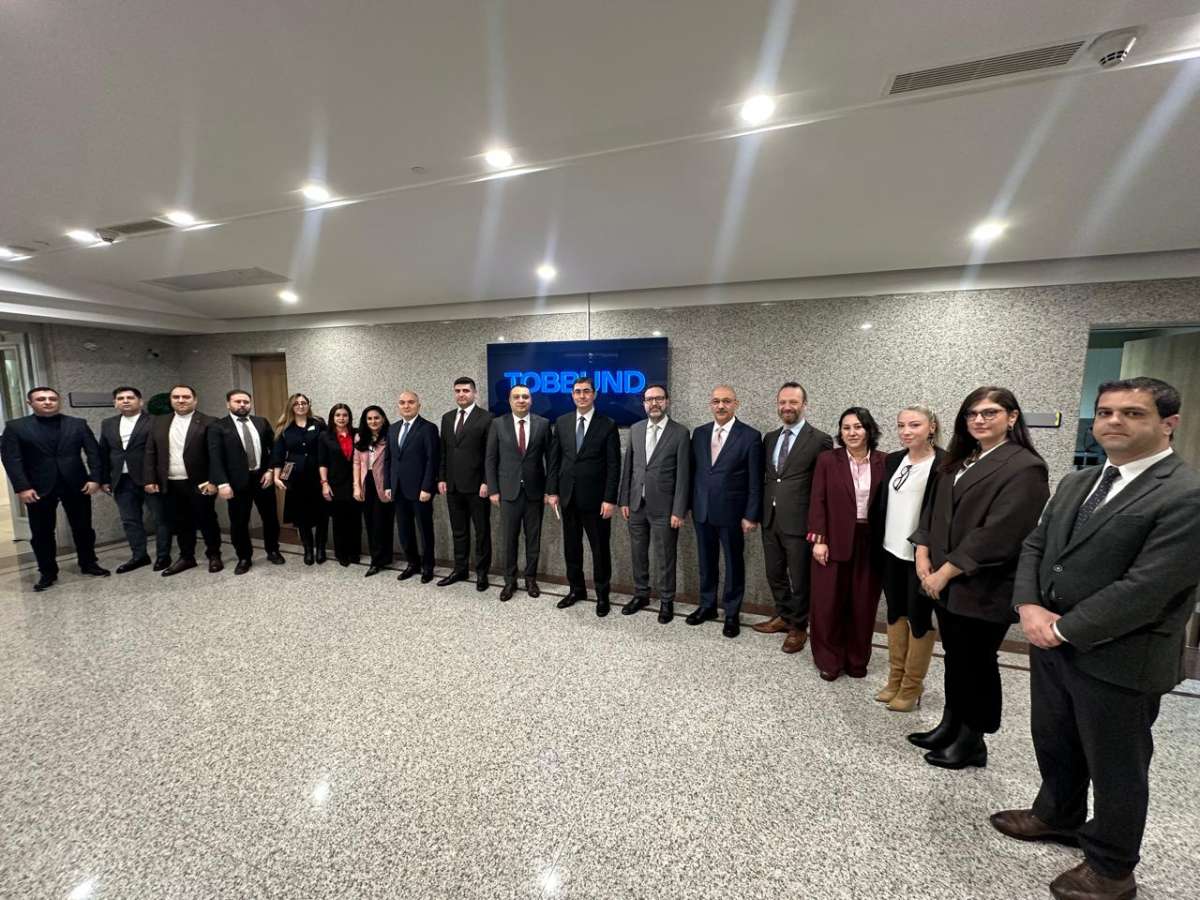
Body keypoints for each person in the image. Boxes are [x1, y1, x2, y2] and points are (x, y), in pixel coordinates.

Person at [992, 377, 1200, 900]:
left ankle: (1111, 867)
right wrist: (1029, 607)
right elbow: (1037, 545)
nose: (1113, 421)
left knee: (1116, 766)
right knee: (1055, 738)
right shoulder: (1078, 481)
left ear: (1168, 423)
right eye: (1106, 412)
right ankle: (1057, 814)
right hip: (1051, 643)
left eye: (1133, 413)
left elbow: (1148, 588)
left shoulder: (1185, 493)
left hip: (1121, 656)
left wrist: (1061, 628)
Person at [909, 386, 1048, 770]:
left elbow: (1000, 533)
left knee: (977, 663)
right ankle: (950, 725)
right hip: (943, 580)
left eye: (989, 413)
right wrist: (922, 552)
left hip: (982, 584)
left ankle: (972, 740)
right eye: (972, 414)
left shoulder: (1025, 467)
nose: (979, 420)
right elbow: (931, 511)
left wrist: (944, 572)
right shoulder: (960, 459)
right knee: (956, 658)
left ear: (1012, 417)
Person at [871, 405, 944, 711]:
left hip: (922, 557)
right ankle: (895, 679)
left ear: (932, 427)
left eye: (914, 425)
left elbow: (942, 516)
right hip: (890, 550)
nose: (906, 431)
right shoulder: (893, 460)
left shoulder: (944, 464)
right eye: (901, 425)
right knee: (894, 613)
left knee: (919, 618)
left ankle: (912, 686)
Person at [1, 386, 109, 591]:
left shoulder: (77, 424)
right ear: (30, 403)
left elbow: (94, 453)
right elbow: (12, 459)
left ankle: (88, 563)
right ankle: (47, 572)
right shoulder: (16, 427)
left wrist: (95, 478)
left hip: (77, 484)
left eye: (52, 398)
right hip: (37, 488)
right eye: (41, 399)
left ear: (58, 402)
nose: (48, 402)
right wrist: (22, 487)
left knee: (83, 528)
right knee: (42, 532)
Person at [806, 407, 886, 680]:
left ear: (869, 430)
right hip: (833, 538)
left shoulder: (885, 461)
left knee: (863, 604)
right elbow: (817, 499)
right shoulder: (828, 460)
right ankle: (829, 659)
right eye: (846, 427)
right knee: (828, 603)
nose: (852, 432)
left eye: (858, 427)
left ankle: (857, 660)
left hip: (870, 541)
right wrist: (819, 539)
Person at [755, 382, 833, 653]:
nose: (787, 407)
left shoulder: (820, 439)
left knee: (800, 579)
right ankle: (784, 616)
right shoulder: (770, 438)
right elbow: (770, 477)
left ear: (804, 405)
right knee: (774, 573)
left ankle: (799, 626)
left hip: (800, 522)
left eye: (793, 402)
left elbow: (823, 486)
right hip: (770, 518)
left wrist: (820, 526)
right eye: (782, 402)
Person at [688, 384, 763, 638]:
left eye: (726, 401)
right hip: (702, 510)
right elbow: (694, 472)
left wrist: (751, 514)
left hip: (733, 513)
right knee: (706, 561)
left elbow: (755, 480)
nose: (721, 406)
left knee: (733, 562)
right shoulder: (699, 434)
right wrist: (688, 505)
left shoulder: (750, 436)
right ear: (710, 404)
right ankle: (707, 605)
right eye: (716, 401)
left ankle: (731, 612)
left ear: (736, 404)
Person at [547, 377, 621, 616]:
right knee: (572, 548)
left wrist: (610, 499)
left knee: (600, 550)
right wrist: (552, 491)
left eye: (586, 391)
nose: (582, 396)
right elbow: (554, 460)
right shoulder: (562, 422)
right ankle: (576, 590)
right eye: (577, 392)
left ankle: (602, 595)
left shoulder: (607, 424)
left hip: (597, 501)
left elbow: (614, 465)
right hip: (568, 497)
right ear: (572, 395)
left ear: (594, 394)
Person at [617, 384, 690, 624]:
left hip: (665, 508)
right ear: (644, 404)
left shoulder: (680, 433)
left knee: (665, 555)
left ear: (667, 401)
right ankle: (641, 594)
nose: (654, 403)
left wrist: (679, 510)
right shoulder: (636, 429)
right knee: (638, 553)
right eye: (649, 399)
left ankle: (667, 600)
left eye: (659, 398)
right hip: (636, 504)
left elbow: (683, 475)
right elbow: (629, 467)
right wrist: (624, 499)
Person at [143, 384, 223, 576]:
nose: (181, 400)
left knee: (207, 519)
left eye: (186, 397)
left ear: (195, 400)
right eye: (176, 397)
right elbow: (150, 451)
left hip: (201, 482)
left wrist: (214, 481)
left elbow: (216, 455)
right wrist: (150, 479)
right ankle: (187, 557)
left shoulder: (209, 421)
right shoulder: (158, 422)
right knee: (180, 522)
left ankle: (214, 555)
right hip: (171, 482)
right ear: (171, 400)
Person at [484, 384, 551, 602]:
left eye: (525, 396)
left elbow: (551, 460)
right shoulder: (498, 424)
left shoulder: (543, 424)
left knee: (533, 539)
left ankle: (531, 579)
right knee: (509, 539)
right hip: (508, 492)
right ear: (510, 401)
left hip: (535, 493)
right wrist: (493, 489)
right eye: (516, 397)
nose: (521, 400)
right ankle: (509, 581)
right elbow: (490, 459)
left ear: (531, 400)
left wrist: (550, 490)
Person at [208, 389, 285, 574]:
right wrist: (222, 484)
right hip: (236, 483)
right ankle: (244, 557)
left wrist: (270, 470)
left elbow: (274, 449)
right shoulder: (218, 426)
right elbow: (215, 457)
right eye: (237, 401)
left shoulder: (261, 422)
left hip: (263, 479)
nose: (242, 405)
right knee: (239, 522)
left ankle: (273, 550)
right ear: (228, 404)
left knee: (270, 518)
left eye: (245, 401)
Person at [98, 385, 169, 572]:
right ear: (115, 403)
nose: (125, 401)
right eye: (120, 398)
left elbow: (162, 452)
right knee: (130, 520)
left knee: (160, 519)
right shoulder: (108, 423)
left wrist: (156, 478)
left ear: (140, 401)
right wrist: (104, 479)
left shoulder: (155, 421)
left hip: (150, 479)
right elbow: (103, 452)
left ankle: (163, 556)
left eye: (130, 398)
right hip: (121, 480)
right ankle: (139, 556)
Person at [437, 377, 494, 591]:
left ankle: (482, 573)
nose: (461, 394)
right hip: (453, 486)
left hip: (478, 487)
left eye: (466, 391)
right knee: (458, 531)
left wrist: (487, 481)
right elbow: (444, 451)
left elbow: (490, 454)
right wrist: (442, 478)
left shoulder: (487, 418)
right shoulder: (447, 418)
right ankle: (460, 569)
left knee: (482, 532)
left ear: (474, 393)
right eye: (458, 391)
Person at [387, 391, 440, 583]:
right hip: (398, 489)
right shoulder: (393, 428)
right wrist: (388, 485)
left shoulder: (428, 428)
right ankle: (412, 563)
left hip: (420, 490)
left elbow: (432, 460)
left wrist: (427, 487)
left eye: (411, 402)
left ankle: (428, 567)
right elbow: (389, 460)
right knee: (404, 530)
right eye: (402, 402)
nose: (406, 406)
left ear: (419, 405)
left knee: (425, 530)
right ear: (398, 406)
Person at [271, 392, 328, 565]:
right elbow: (278, 454)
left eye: (304, 403)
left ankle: (321, 548)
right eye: (297, 403)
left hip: (317, 474)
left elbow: (328, 445)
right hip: (296, 477)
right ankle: (308, 550)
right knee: (302, 516)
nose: (301, 406)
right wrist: (276, 477)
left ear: (308, 405)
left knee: (322, 514)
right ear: (291, 406)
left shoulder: (318, 424)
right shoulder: (284, 427)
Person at [318, 403, 362, 567]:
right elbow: (322, 462)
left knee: (355, 520)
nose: (341, 418)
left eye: (345, 415)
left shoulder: (357, 433)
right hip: (335, 483)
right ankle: (341, 553)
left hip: (355, 482)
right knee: (339, 521)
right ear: (332, 417)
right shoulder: (325, 436)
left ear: (349, 417)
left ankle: (354, 552)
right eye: (338, 415)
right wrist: (324, 483)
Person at [353, 405, 394, 576]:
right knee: (370, 522)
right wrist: (356, 486)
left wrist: (391, 485)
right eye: (369, 418)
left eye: (376, 418)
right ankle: (376, 559)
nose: (373, 421)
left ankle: (384, 558)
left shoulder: (390, 436)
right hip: (367, 482)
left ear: (383, 419)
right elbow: (356, 463)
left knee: (384, 522)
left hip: (384, 483)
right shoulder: (360, 437)